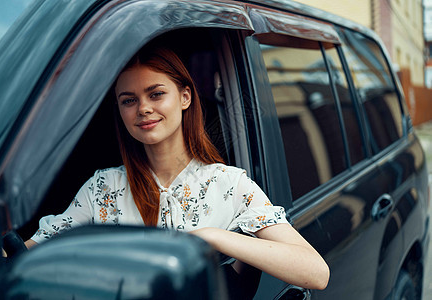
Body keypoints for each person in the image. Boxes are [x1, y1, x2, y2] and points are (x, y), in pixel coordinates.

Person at [25, 45, 329, 291]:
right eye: (128, 100)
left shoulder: (228, 185)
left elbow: (315, 273)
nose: (143, 108)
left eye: (156, 94)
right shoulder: (103, 188)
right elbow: (32, 248)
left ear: (185, 97)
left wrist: (211, 237)